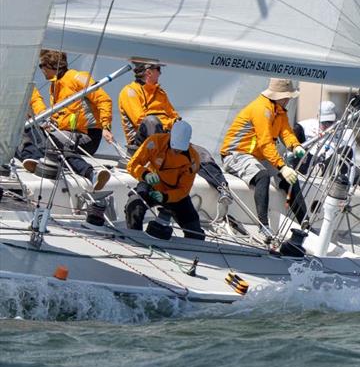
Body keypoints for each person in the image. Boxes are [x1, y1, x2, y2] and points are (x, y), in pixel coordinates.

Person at [118, 61, 231, 201]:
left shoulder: (160, 92)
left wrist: (177, 126)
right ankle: (161, 170)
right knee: (152, 121)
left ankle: (222, 188)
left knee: (200, 153)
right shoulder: (130, 91)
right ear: (148, 72)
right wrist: (171, 124)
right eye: (158, 69)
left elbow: (174, 116)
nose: (161, 73)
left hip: (167, 139)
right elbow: (140, 120)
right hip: (145, 143)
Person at [220, 79, 307, 230]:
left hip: (258, 156)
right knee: (263, 175)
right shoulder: (262, 109)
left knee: (291, 180)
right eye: (287, 96)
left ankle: (305, 223)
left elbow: (286, 133)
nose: (289, 99)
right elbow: (265, 143)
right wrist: (281, 166)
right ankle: (263, 225)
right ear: (278, 96)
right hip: (236, 154)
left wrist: (296, 146)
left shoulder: (279, 111)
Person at [21, 50, 112, 191]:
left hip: (87, 136)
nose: (41, 70)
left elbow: (104, 100)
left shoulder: (78, 78)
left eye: (42, 66)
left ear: (51, 66)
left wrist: (106, 126)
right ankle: (39, 159)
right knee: (30, 132)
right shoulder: (56, 84)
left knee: (48, 140)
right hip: (64, 134)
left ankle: (90, 173)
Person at [125, 120, 205, 240]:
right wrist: (145, 174)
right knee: (134, 204)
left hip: (174, 194)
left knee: (195, 232)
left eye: (180, 149)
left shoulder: (193, 159)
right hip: (151, 185)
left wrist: (166, 196)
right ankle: (135, 238)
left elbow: (183, 190)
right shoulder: (155, 142)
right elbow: (132, 164)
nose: (176, 151)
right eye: (174, 147)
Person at [294, 100, 355, 175]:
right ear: (318, 117)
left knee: (347, 150)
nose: (326, 125)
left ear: (335, 119)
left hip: (329, 169)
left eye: (329, 122)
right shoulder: (304, 126)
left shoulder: (347, 132)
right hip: (307, 165)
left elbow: (352, 162)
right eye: (323, 122)